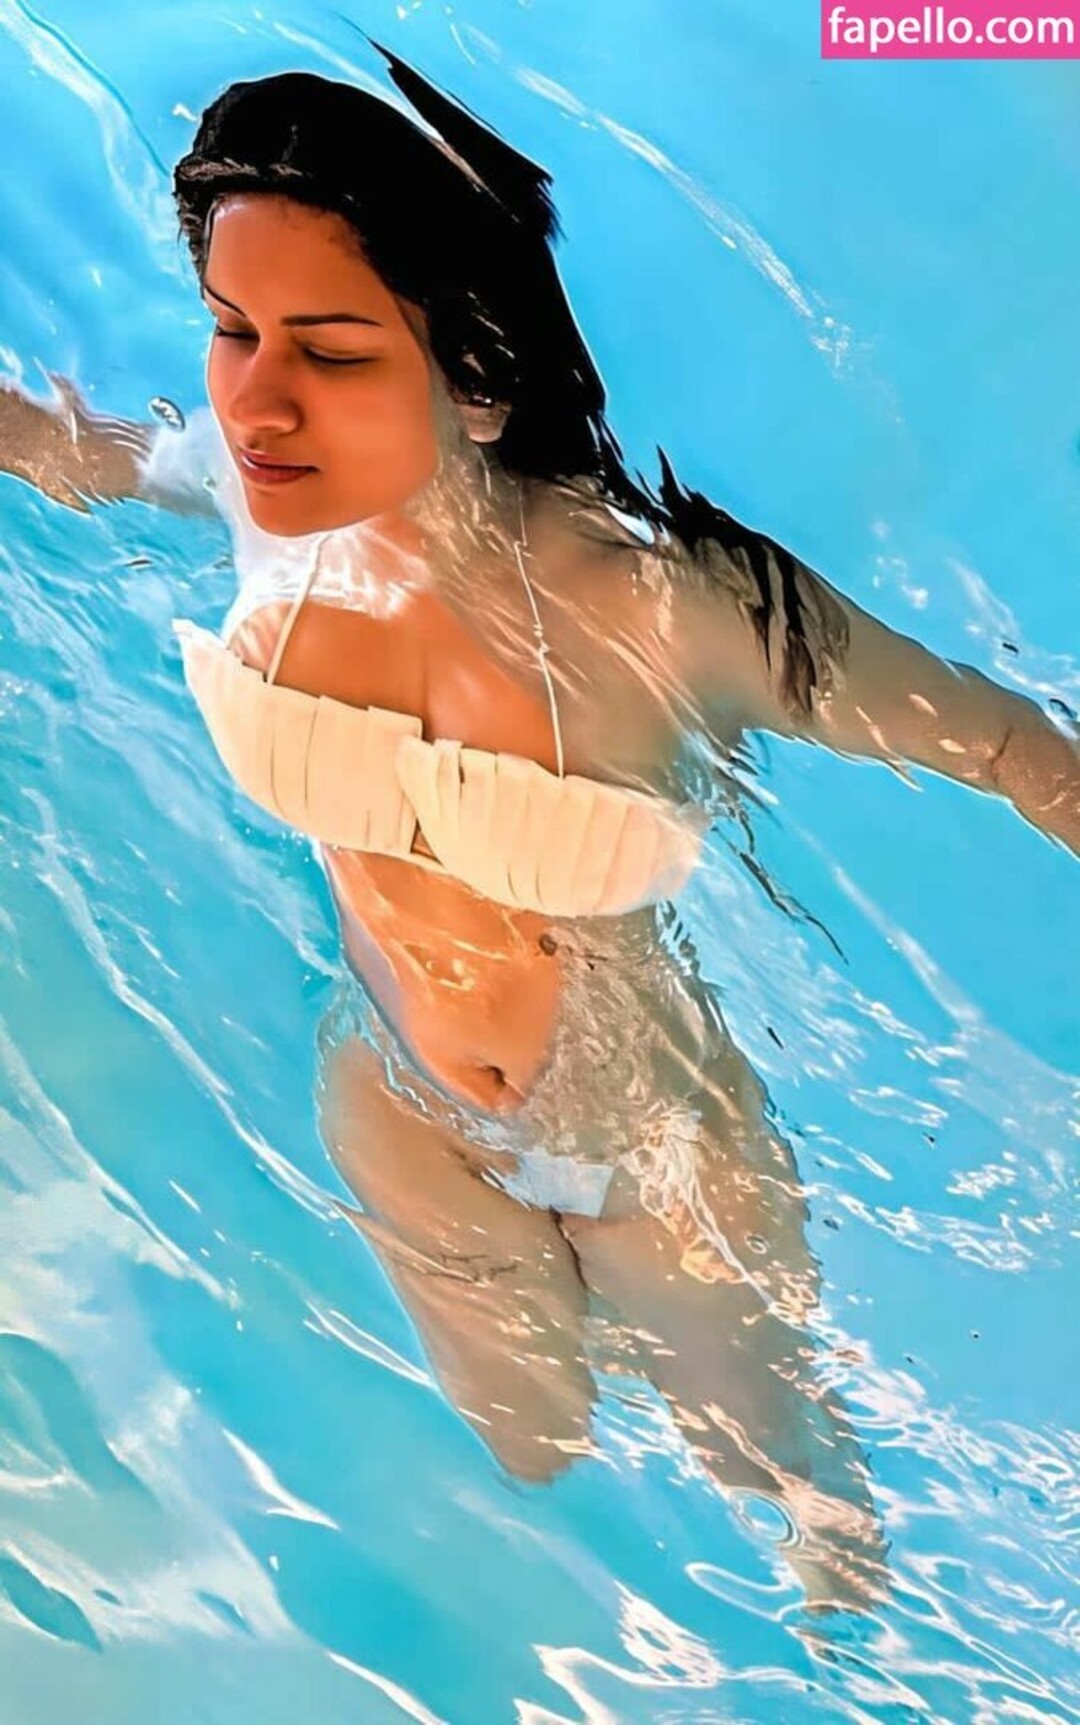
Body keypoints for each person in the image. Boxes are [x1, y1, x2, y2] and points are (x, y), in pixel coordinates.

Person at [1, 48, 1075, 1612]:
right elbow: (76, 452)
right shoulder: (265, 497)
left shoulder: (665, 609)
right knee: (533, 1457)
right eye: (233, 330)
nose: (255, 400)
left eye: (331, 350)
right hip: (402, 1102)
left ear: (477, 379)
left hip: (650, 1143)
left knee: (796, 1496)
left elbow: (1008, 744)